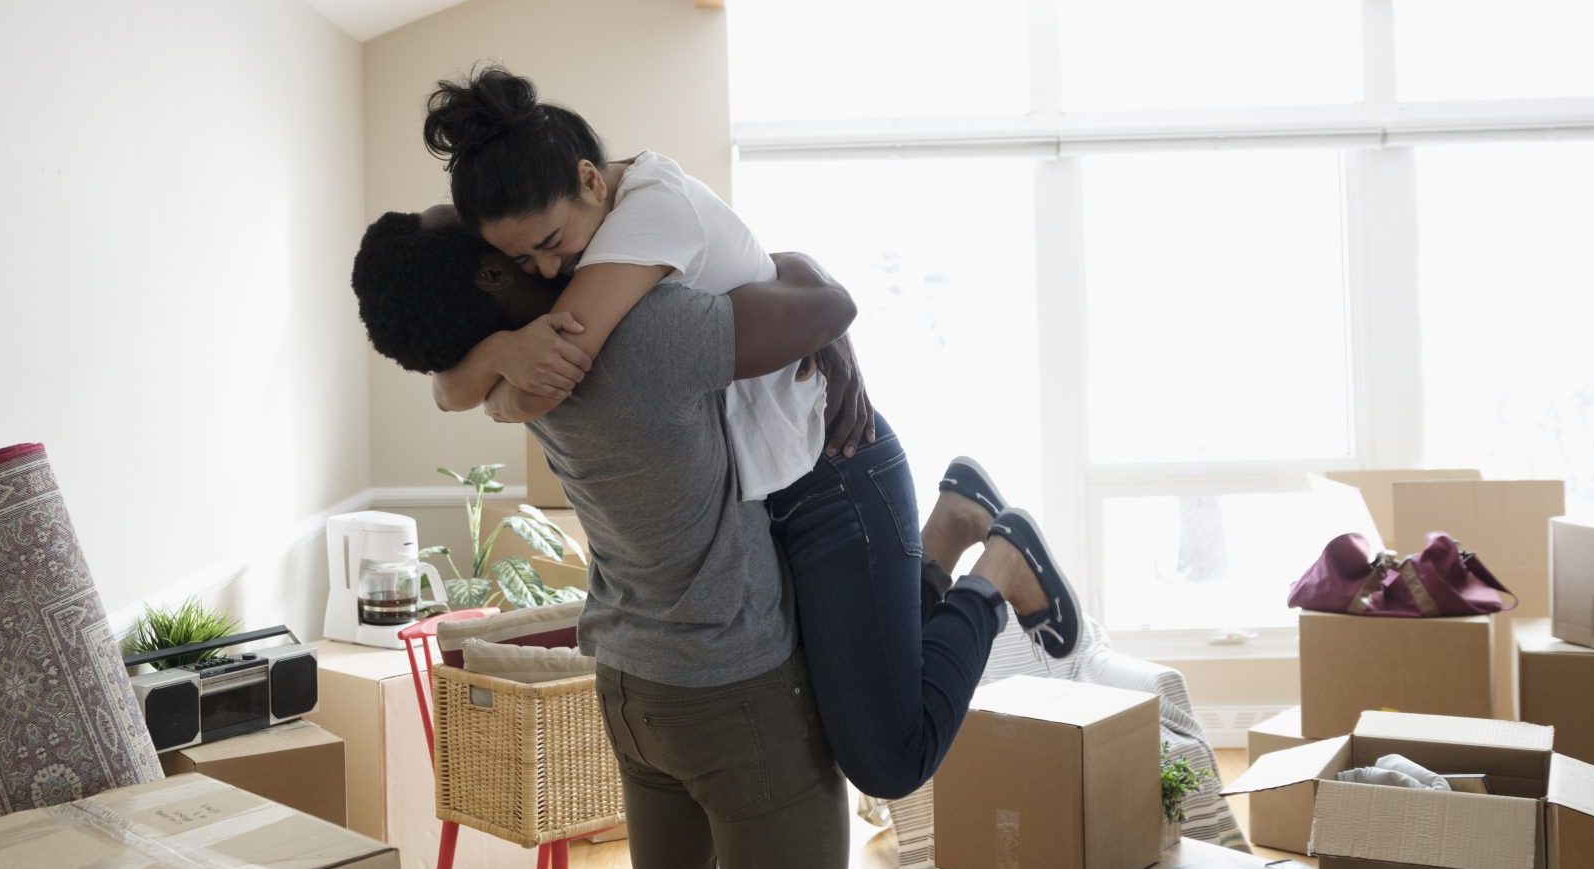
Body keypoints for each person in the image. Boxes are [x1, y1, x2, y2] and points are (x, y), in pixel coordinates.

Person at [413, 66, 1084, 796]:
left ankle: (1000, 569)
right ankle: (951, 526)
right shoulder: (611, 223)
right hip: (775, 485)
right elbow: (463, 384)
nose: (547, 269)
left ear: (590, 181)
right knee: (852, 709)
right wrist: (495, 354)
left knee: (889, 759)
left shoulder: (647, 216)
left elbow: (540, 384)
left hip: (834, 476)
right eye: (521, 262)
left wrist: (498, 364)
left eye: (550, 242)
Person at [351, 207, 1086, 867]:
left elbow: (446, 381)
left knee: (886, 734)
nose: (490, 216)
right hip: (718, 666)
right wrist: (829, 331)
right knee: (889, 735)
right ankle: (973, 549)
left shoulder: (509, 381)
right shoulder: (634, 335)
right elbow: (824, 302)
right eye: (468, 219)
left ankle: (974, 547)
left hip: (685, 627)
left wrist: (485, 360)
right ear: (491, 271)